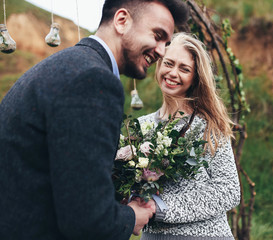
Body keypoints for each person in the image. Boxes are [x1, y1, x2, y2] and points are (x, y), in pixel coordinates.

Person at [0, 0, 188, 239]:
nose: (162, 51)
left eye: (167, 43)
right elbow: (86, 221)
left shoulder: (66, 65)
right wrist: (130, 217)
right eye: (157, 35)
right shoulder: (93, 80)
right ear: (122, 20)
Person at [137, 32, 241, 239]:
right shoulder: (142, 126)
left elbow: (229, 191)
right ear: (159, 65)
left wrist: (161, 207)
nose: (173, 73)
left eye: (184, 69)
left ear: (195, 78)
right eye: (169, 63)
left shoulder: (210, 126)